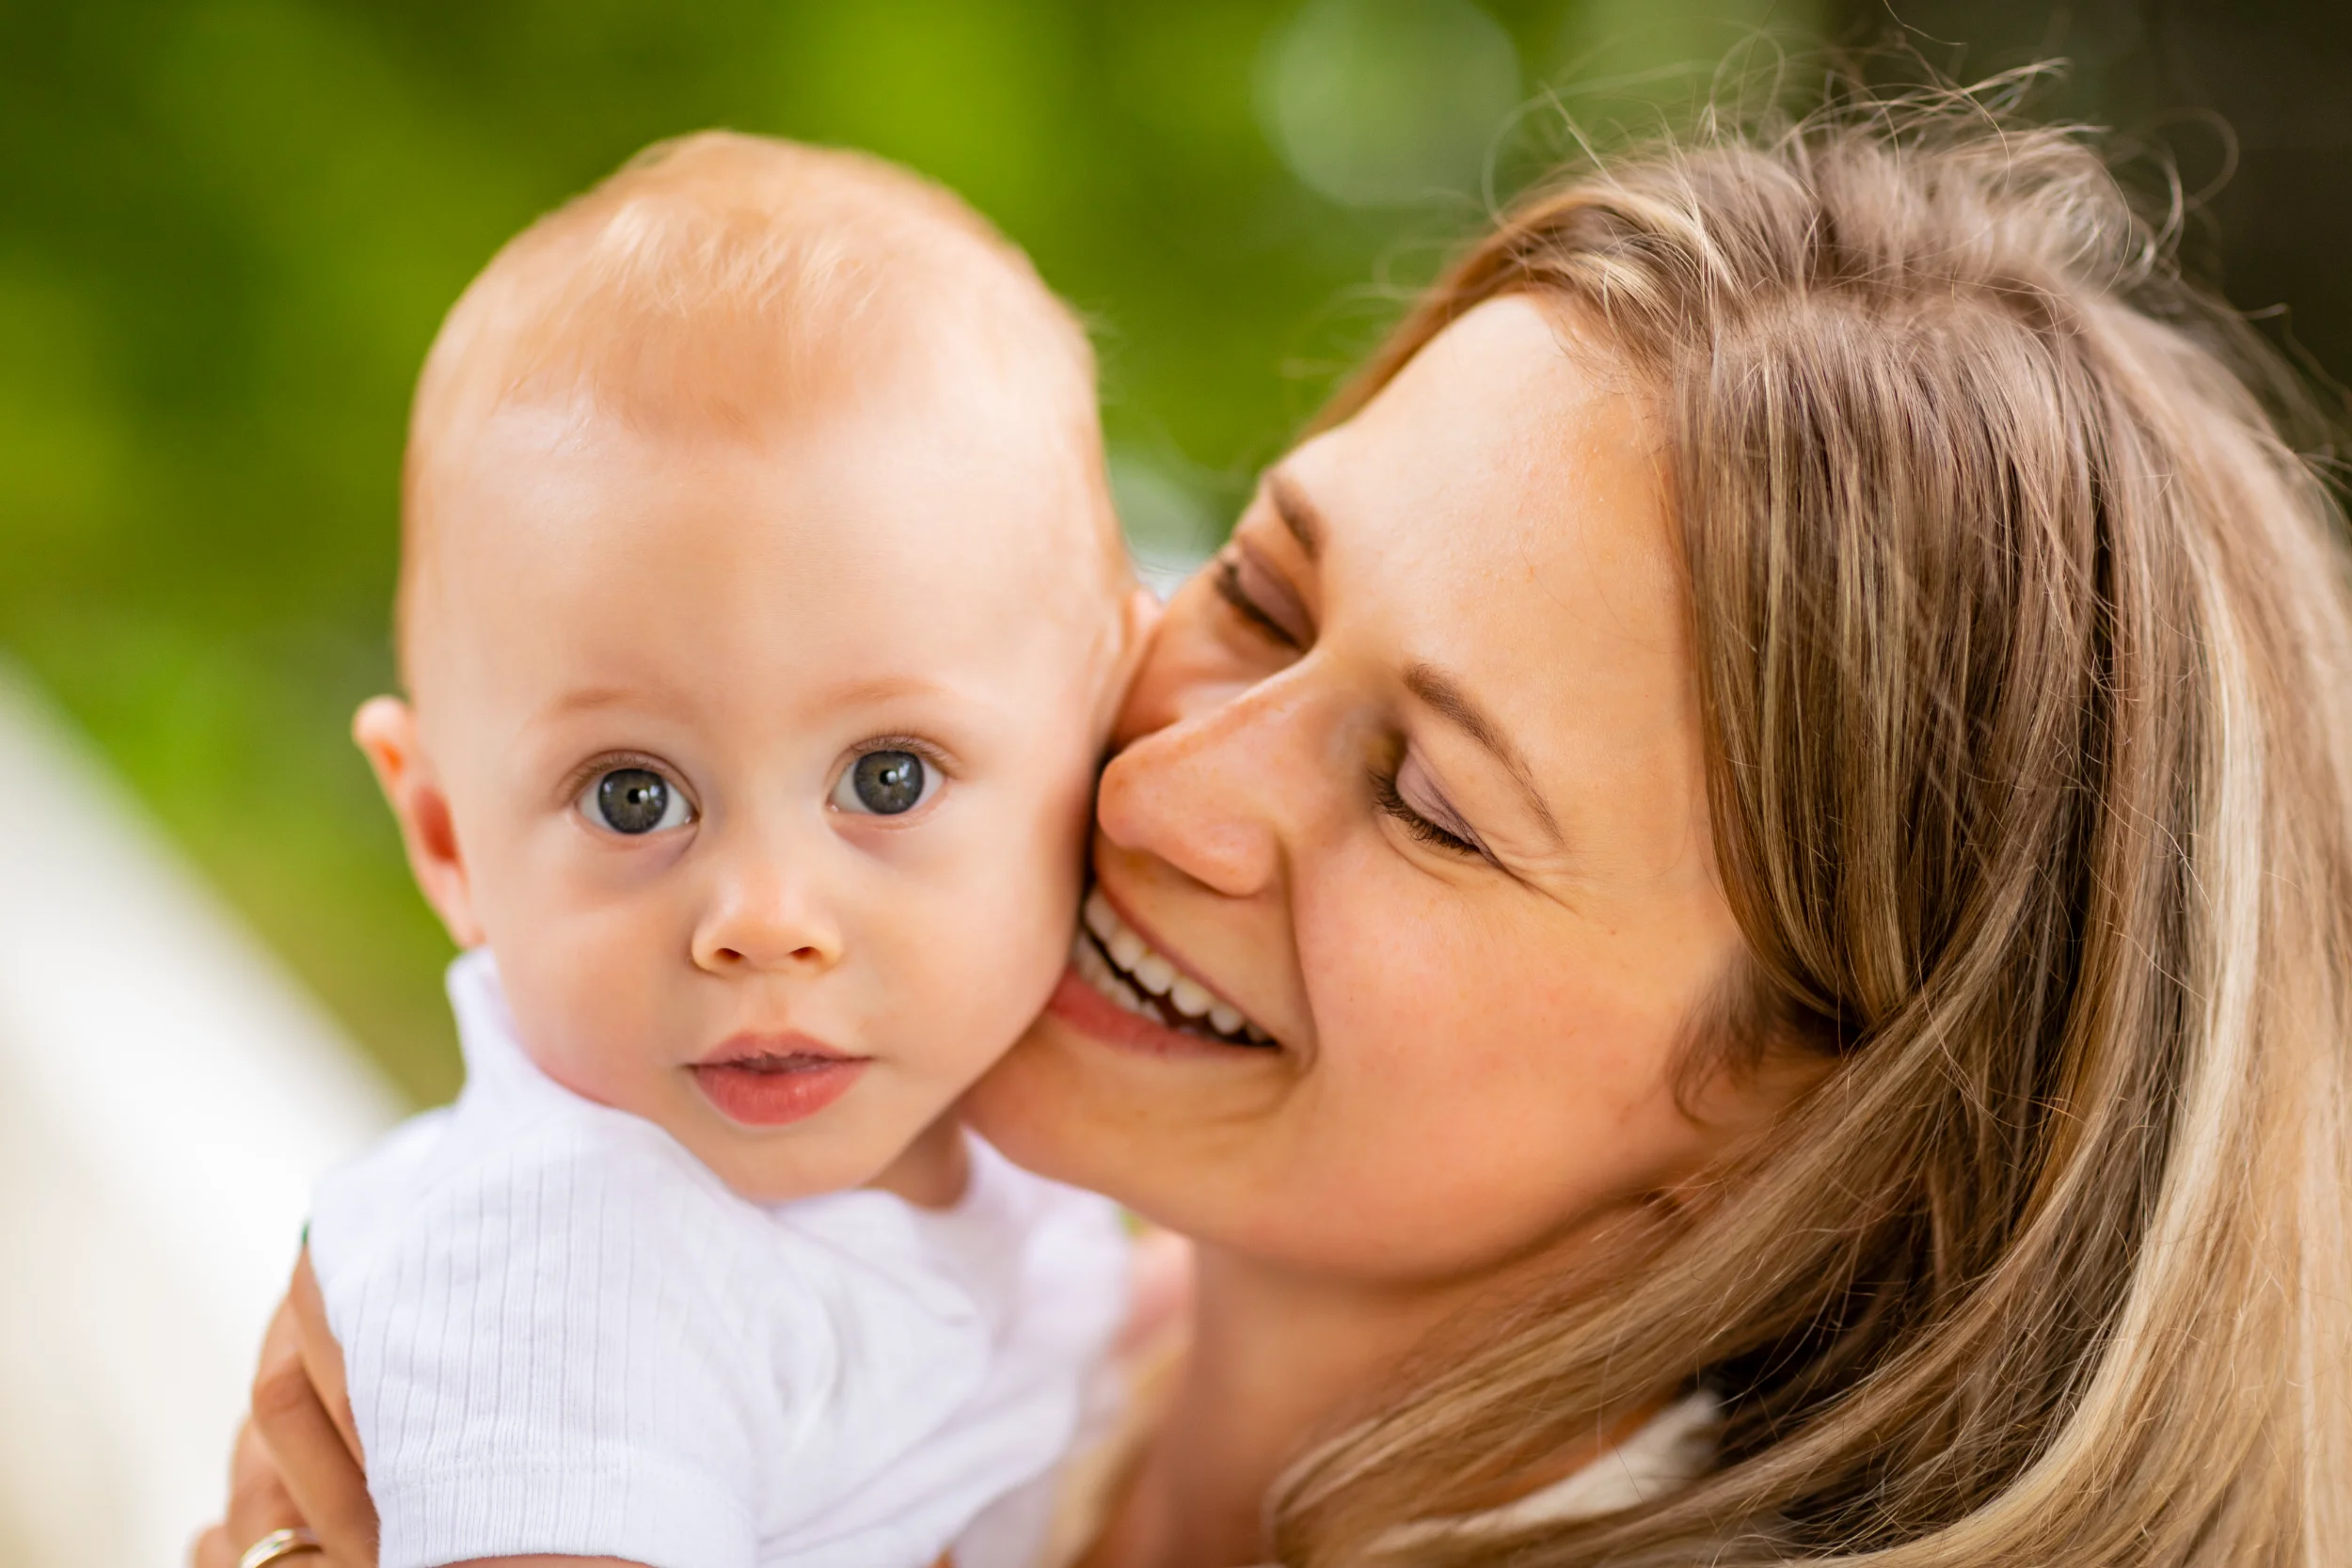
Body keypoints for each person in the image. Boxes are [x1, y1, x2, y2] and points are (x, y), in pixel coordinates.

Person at [200, 75, 2352, 1568]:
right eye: (1258, 591)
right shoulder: (922, 1312)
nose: (1163, 781)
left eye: (1424, 797)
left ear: (1814, 1114)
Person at [245, 131, 1159, 1568]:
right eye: (630, 796)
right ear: (446, 837)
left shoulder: (1005, 1135)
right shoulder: (567, 1266)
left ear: (1097, 735)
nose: (765, 917)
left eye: (888, 773)